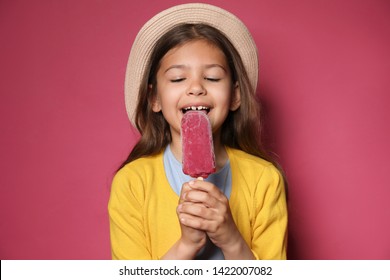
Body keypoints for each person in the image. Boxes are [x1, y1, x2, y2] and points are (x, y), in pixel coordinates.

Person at [108, 3, 287, 260]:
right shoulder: (132, 183)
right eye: (178, 79)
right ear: (154, 98)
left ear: (236, 95)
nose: (196, 88)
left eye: (212, 78)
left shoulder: (264, 180)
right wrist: (187, 245)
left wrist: (231, 238)